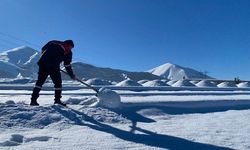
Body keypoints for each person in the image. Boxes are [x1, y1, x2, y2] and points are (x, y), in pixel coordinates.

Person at [30, 40, 76, 106]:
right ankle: (57, 101)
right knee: (58, 83)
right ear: (69, 45)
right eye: (71, 47)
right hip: (53, 67)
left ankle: (33, 100)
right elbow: (67, 65)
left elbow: (43, 49)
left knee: (39, 82)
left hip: (43, 64)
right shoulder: (68, 52)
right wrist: (71, 74)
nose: (71, 49)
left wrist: (47, 58)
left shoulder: (53, 42)